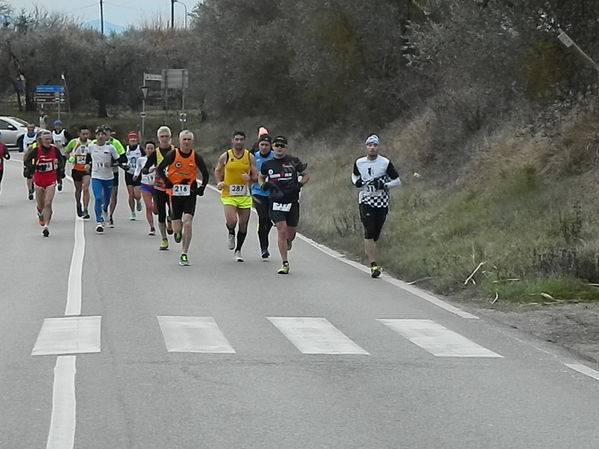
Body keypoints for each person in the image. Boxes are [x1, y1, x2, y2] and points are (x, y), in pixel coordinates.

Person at [156, 130, 210, 266]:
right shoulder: (172, 154)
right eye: (184, 139)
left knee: (188, 222)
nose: (186, 142)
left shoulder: (195, 156)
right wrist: (166, 181)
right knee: (177, 228)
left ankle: (184, 253)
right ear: (179, 141)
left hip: (189, 194)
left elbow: (205, 174)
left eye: (189, 140)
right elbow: (159, 169)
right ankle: (176, 231)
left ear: (192, 141)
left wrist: (202, 187)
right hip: (174, 194)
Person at [351, 134, 401, 278]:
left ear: (378, 147)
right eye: (369, 145)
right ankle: (373, 264)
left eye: (375, 145)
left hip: (382, 200)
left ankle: (371, 252)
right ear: (366, 147)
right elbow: (354, 176)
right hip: (366, 199)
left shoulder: (385, 163)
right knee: (369, 229)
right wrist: (357, 182)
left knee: (376, 232)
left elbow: (397, 181)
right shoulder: (359, 162)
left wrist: (384, 185)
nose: (372, 148)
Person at [259, 135, 309, 274]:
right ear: (273, 148)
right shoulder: (267, 164)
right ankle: (284, 263)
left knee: (290, 234)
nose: (279, 148)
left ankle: (289, 240)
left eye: (282, 146)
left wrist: (299, 184)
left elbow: (306, 175)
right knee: (281, 229)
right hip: (275, 201)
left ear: (286, 147)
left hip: (291, 201)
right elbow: (261, 176)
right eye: (277, 146)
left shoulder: (294, 161)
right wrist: (263, 185)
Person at [214, 130, 258, 262]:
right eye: (236, 139)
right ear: (232, 140)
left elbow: (256, 176)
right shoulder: (225, 156)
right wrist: (219, 182)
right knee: (232, 221)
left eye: (241, 139)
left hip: (244, 195)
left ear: (244, 141)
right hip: (229, 194)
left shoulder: (250, 157)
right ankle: (231, 232)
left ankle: (238, 250)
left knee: (244, 225)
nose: (239, 142)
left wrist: (249, 178)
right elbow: (217, 170)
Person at [23, 130, 65, 237]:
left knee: (48, 203)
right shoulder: (36, 150)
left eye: (49, 139)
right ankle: (40, 214)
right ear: (41, 140)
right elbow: (26, 161)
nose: (48, 141)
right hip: (38, 180)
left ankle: (46, 226)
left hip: (51, 179)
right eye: (46, 139)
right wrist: (36, 167)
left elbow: (62, 161)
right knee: (40, 205)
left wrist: (59, 167)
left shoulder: (54, 150)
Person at [142, 126, 176, 250]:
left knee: (174, 211)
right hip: (159, 187)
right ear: (158, 138)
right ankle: (164, 239)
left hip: (173, 187)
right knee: (160, 213)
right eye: (162, 137)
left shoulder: (175, 151)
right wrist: (148, 170)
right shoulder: (155, 153)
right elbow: (145, 168)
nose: (165, 139)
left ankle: (171, 220)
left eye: (167, 136)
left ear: (170, 137)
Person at [87, 127, 126, 233]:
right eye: (98, 135)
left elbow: (119, 161)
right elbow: (88, 158)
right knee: (98, 198)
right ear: (95, 136)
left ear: (106, 137)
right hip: (96, 176)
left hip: (108, 177)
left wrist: (112, 164)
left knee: (107, 200)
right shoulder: (91, 147)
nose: (100, 137)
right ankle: (99, 221)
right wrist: (87, 165)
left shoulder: (110, 148)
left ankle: (105, 211)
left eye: (102, 135)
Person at [251, 134, 274, 259]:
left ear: (270, 146)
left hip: (273, 193)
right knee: (263, 217)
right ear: (258, 145)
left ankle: (264, 234)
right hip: (258, 192)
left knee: (270, 220)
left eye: (266, 145)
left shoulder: (275, 157)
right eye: (262, 145)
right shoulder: (254, 157)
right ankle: (264, 247)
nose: (264, 147)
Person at [100, 125, 125, 227]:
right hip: (100, 173)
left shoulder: (116, 143)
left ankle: (110, 216)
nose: (104, 135)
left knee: (113, 195)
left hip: (113, 172)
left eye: (107, 133)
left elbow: (123, 158)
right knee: (102, 195)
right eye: (102, 133)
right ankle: (102, 213)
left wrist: (113, 163)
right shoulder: (95, 143)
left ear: (110, 133)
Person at [64, 125, 92, 219]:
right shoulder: (74, 142)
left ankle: (86, 209)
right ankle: (78, 204)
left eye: (87, 134)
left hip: (86, 169)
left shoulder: (91, 143)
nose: (85, 136)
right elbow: (66, 152)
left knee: (86, 188)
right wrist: (70, 159)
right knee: (78, 189)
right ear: (79, 134)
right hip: (76, 169)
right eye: (83, 134)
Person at [134, 141, 158, 235]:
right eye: (148, 148)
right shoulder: (141, 159)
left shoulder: (158, 159)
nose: (150, 150)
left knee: (156, 210)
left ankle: (155, 207)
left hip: (156, 186)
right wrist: (136, 175)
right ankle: (152, 227)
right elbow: (138, 168)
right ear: (145, 149)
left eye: (152, 148)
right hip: (145, 185)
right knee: (148, 207)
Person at [124, 132, 144, 220]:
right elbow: (122, 158)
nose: (133, 140)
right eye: (131, 139)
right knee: (130, 194)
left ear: (137, 140)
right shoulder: (126, 149)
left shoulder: (140, 149)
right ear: (128, 140)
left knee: (137, 194)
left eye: (134, 139)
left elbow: (145, 158)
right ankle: (132, 212)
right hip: (128, 173)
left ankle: (138, 200)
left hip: (138, 173)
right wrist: (123, 165)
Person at [17, 123, 37, 199]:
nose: (30, 129)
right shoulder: (24, 136)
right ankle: (30, 191)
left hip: (35, 157)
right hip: (27, 157)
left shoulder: (37, 137)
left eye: (32, 128)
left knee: (35, 174)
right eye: (29, 128)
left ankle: (34, 186)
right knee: (28, 175)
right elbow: (21, 147)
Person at [51, 120, 71, 192]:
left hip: (63, 153)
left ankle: (62, 174)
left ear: (61, 126)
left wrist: (63, 145)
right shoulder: (52, 133)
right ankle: (59, 182)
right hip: (55, 153)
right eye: (56, 126)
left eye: (59, 126)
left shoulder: (64, 133)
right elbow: (50, 141)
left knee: (61, 168)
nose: (57, 127)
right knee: (56, 168)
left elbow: (70, 140)